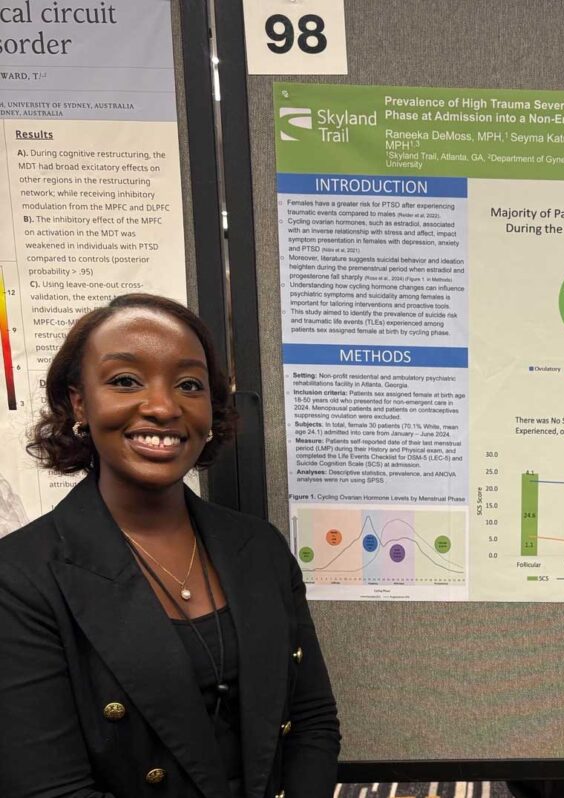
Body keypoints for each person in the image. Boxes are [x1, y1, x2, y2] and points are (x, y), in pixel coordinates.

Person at [0, 294, 340, 797]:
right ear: (79, 402)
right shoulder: (22, 576)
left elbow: (312, 722)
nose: (162, 406)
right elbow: (49, 789)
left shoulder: (260, 548)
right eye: (125, 381)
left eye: (189, 385)